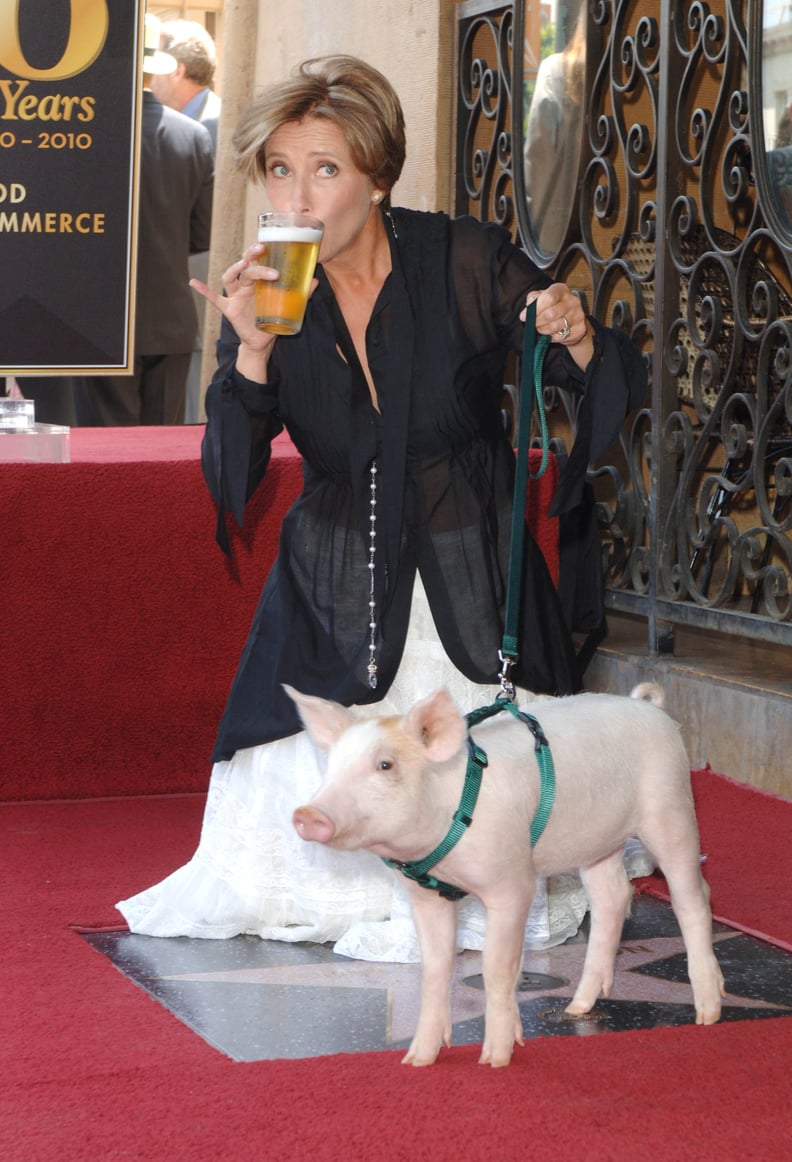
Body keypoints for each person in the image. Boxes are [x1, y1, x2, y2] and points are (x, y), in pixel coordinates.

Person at [117, 56, 649, 961]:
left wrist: (576, 328)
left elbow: (584, 375)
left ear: (377, 175)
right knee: (283, 872)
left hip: (468, 591)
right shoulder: (273, 297)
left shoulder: (464, 261)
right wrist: (247, 357)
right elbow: (229, 479)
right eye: (279, 170)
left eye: (325, 168)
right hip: (335, 595)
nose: (299, 194)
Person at [71, 14, 214, 426]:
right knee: (159, 463)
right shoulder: (195, 136)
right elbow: (200, 234)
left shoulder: (84, 134)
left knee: (106, 462)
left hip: (101, 321)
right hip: (170, 322)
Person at [151, 18, 222, 424]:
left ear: (176, 69)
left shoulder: (210, 124)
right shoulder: (184, 123)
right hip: (176, 288)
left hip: (192, 278)